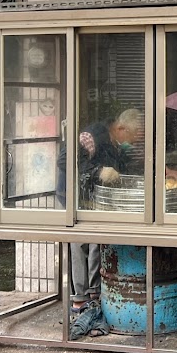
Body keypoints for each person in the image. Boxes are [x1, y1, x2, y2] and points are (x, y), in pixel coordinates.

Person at [56, 108, 144, 314]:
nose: (132, 143)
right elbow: (64, 160)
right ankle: (79, 299)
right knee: (80, 243)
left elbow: (126, 167)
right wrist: (98, 172)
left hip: (94, 199)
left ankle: (95, 293)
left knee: (97, 242)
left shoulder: (115, 145)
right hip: (74, 196)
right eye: (131, 137)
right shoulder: (92, 135)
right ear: (121, 127)